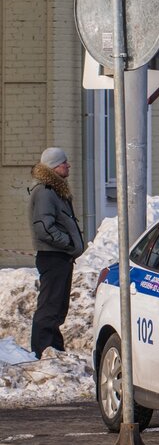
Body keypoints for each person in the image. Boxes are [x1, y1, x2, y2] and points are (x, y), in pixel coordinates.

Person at [28, 147, 84, 358]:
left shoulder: (55, 190)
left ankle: (54, 348)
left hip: (61, 256)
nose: (68, 165)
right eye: (64, 163)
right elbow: (43, 227)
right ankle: (42, 350)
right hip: (53, 256)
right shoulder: (45, 192)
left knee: (58, 306)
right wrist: (69, 243)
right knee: (50, 305)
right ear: (54, 167)